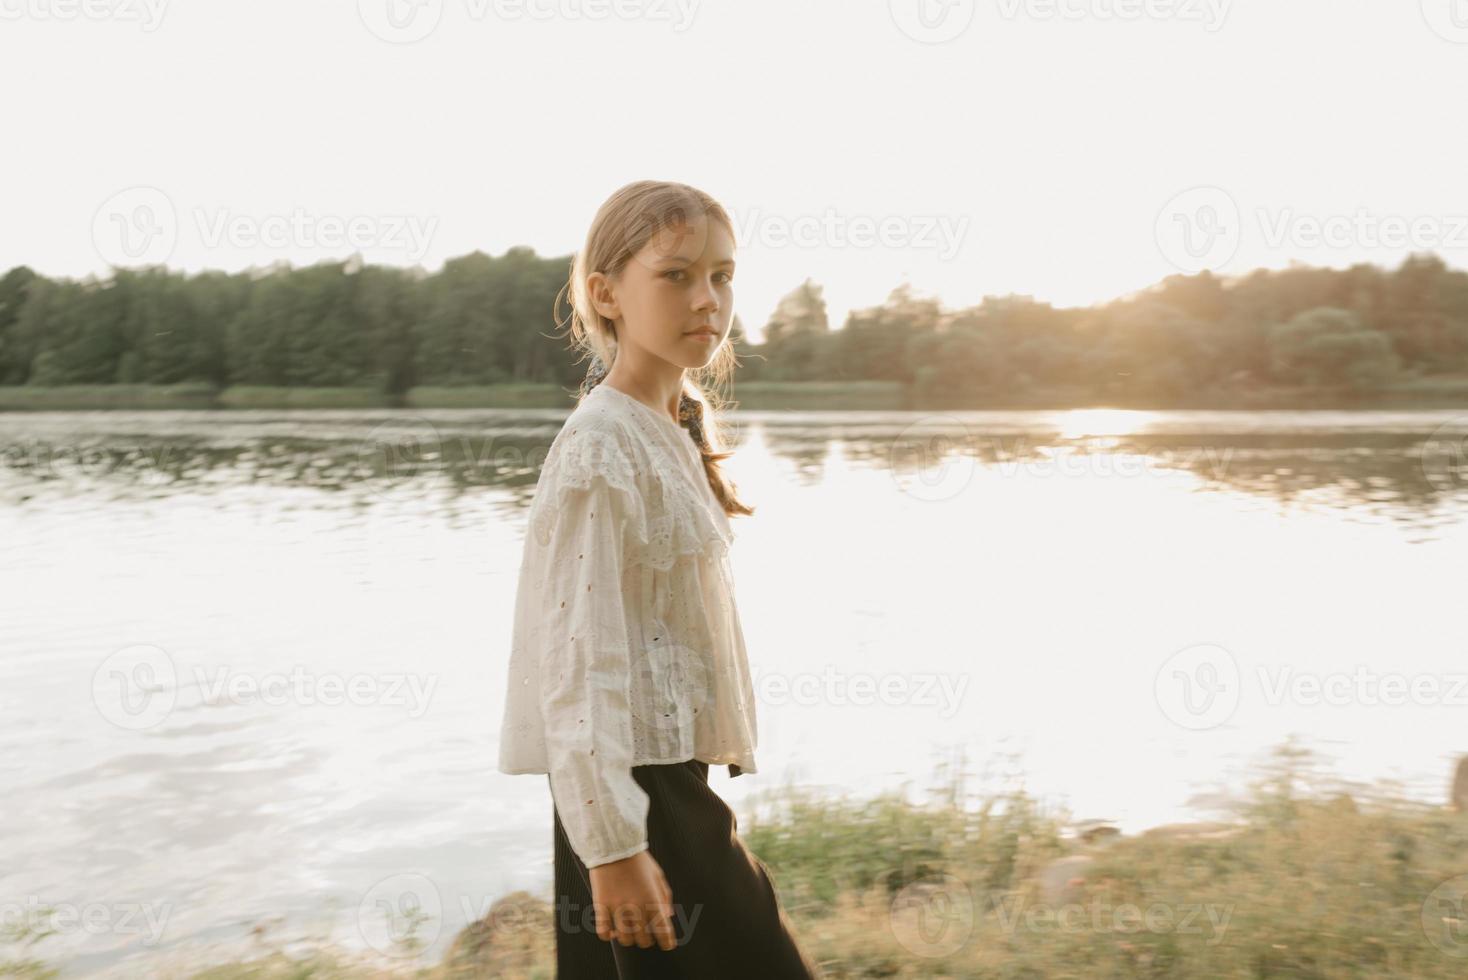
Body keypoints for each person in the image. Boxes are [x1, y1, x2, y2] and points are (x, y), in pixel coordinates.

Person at [497, 180, 823, 978]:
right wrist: (612, 847)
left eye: (722, 275)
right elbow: (578, 664)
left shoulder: (664, 429)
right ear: (607, 294)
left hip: (665, 780)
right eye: (675, 276)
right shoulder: (601, 447)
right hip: (636, 795)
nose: (706, 298)